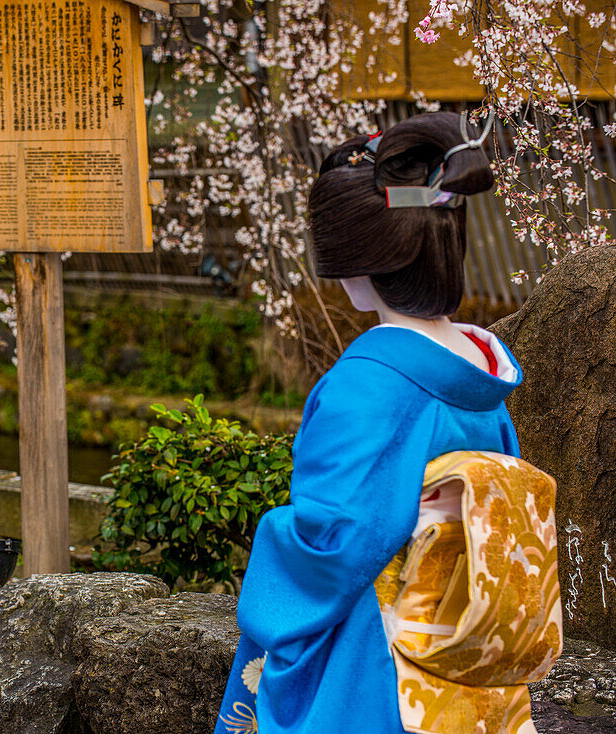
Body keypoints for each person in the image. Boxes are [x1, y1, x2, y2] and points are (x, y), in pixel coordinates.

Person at [214, 111, 550, 734]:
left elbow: (332, 543)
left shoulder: (365, 385)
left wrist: (274, 539)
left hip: (371, 667)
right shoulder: (481, 374)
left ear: (353, 260)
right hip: (460, 657)